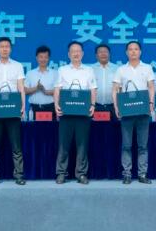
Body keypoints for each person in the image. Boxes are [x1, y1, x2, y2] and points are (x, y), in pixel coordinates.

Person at [54, 41, 97, 184]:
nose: (76, 53)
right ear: (69, 54)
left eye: (78, 51)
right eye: (73, 51)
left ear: (82, 54)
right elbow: (58, 89)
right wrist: (56, 105)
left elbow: (93, 89)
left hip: (83, 113)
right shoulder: (62, 70)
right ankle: (61, 173)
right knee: (64, 144)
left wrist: (92, 105)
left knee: (82, 144)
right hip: (66, 112)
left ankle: (81, 174)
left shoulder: (89, 70)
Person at [0, 37, 26, 186]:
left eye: (7, 46)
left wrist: (23, 106)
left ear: (11, 49)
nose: (4, 49)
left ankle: (19, 175)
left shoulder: (18, 66)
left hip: (13, 109)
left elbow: (21, 88)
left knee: (16, 146)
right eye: (2, 46)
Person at [113, 41, 155, 184]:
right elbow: (115, 89)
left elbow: (151, 86)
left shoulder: (147, 68)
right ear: (126, 52)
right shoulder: (121, 69)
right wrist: (116, 106)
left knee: (143, 145)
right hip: (126, 111)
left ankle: (142, 174)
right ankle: (127, 174)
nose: (133, 52)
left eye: (136, 49)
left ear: (140, 52)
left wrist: (151, 102)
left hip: (143, 111)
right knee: (126, 145)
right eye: (130, 49)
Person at [24, 45, 57, 117]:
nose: (43, 59)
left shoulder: (55, 73)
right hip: (34, 108)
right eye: (41, 57)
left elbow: (59, 91)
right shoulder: (30, 73)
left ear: (49, 58)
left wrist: (45, 91)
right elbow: (25, 91)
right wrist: (36, 88)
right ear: (36, 58)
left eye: (45, 57)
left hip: (51, 107)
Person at [91, 43, 117, 120]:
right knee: (96, 127)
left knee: (113, 127)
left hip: (113, 107)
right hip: (95, 106)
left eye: (105, 52)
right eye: (100, 52)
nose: (103, 54)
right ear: (96, 55)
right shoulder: (90, 69)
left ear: (109, 54)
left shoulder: (117, 69)